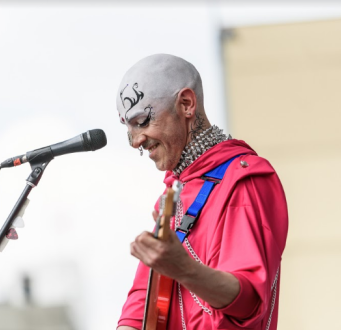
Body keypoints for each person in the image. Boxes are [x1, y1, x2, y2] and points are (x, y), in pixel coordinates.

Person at [116, 54, 288, 330]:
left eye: (142, 121)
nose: (135, 141)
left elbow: (250, 302)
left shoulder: (243, 178)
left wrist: (184, 269)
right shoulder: (173, 193)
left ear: (186, 104)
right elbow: (142, 305)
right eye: (127, 128)